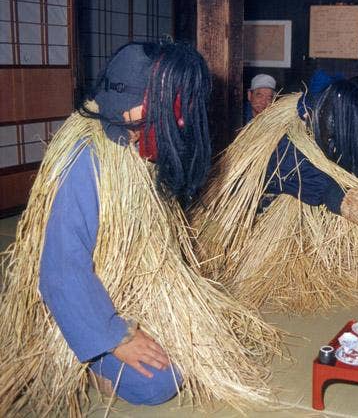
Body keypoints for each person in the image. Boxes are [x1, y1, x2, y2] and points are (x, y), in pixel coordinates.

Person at [0, 42, 282, 416]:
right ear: (134, 100)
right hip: (79, 307)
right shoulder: (86, 158)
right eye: (173, 103)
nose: (180, 117)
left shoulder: (134, 143)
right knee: (160, 381)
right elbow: (61, 272)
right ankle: (87, 364)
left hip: (127, 289)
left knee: (210, 345)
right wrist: (116, 338)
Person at [191, 78, 358, 313]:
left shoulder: (317, 112)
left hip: (286, 202)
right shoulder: (286, 142)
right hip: (241, 223)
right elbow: (326, 189)